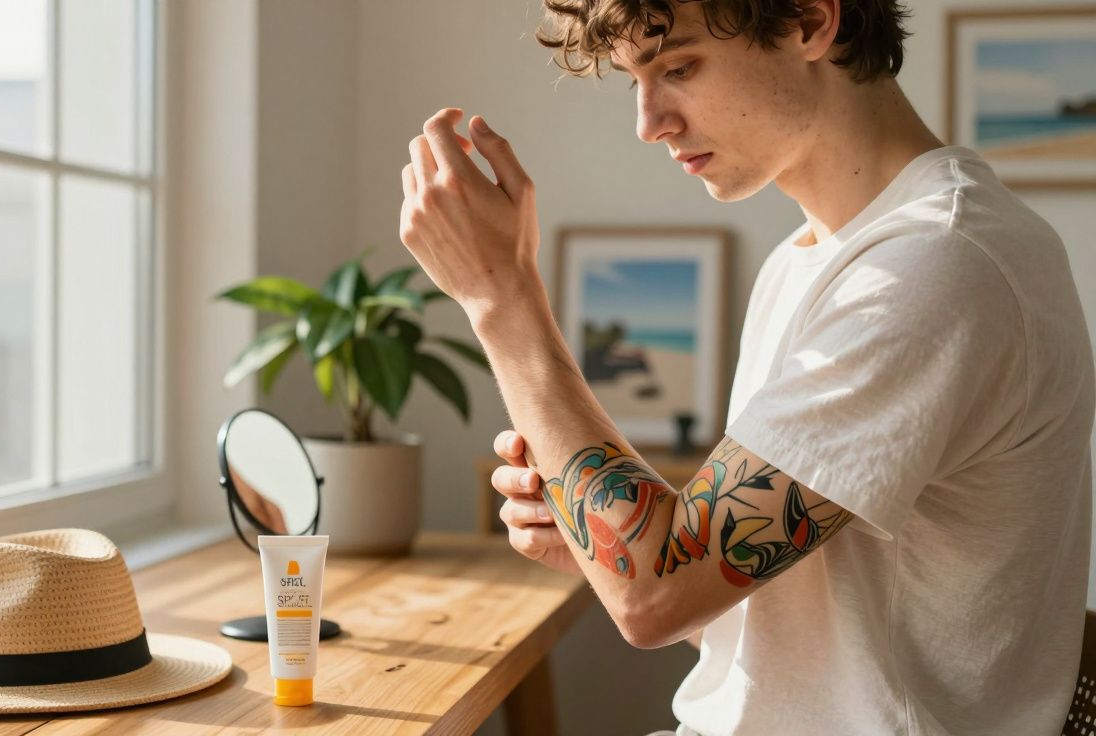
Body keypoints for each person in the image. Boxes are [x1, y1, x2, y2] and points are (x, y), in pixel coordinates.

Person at [396, 0, 1095, 734]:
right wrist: (603, 540)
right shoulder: (807, 263)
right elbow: (760, 631)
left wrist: (500, 297)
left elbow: (654, 598)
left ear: (809, 23)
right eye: (635, 80)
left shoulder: (934, 266)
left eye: (678, 67)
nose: (649, 123)